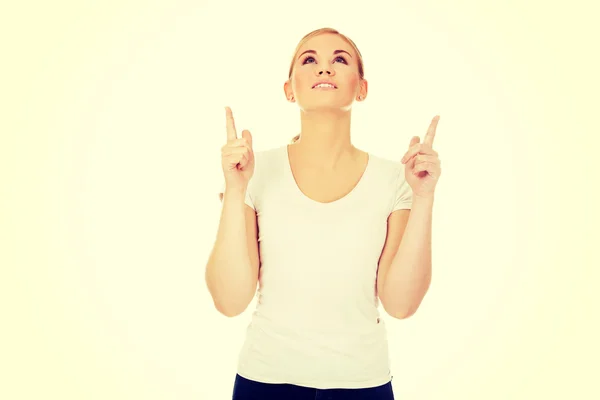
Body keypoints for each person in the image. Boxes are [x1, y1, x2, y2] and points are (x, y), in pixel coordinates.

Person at [205, 27, 442, 400]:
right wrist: (236, 189)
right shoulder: (254, 170)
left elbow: (400, 304)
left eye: (340, 60)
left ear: (362, 88)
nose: (324, 69)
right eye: (310, 60)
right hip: (265, 381)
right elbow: (229, 300)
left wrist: (424, 196)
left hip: (362, 383)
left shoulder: (395, 179)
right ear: (289, 88)